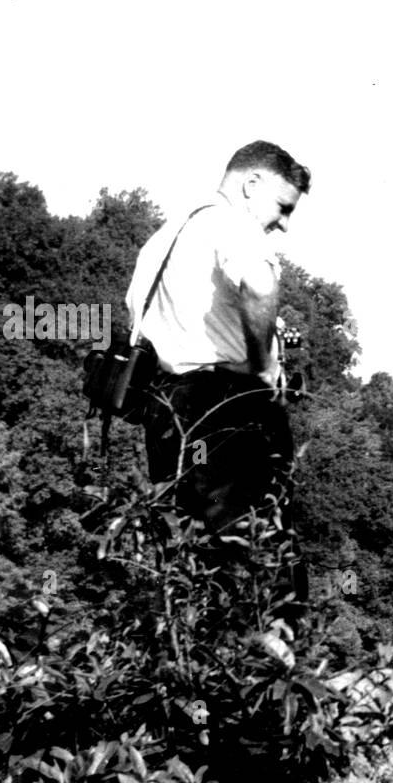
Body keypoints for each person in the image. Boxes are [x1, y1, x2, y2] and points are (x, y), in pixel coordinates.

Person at [128, 140, 310, 537]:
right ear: (252, 184)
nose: (284, 224)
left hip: (164, 411)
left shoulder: (164, 238)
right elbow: (260, 288)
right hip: (226, 409)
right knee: (256, 553)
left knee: (185, 555)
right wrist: (266, 366)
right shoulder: (230, 223)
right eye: (283, 207)